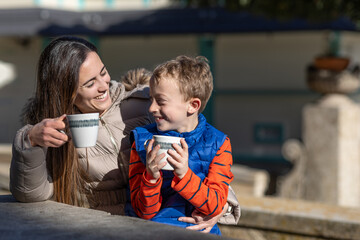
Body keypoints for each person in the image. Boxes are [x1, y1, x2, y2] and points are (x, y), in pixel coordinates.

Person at [10, 36, 240, 230]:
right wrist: (30, 142)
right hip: (101, 228)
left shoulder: (145, 103)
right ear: (66, 92)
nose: (104, 85)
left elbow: (205, 156)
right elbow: (31, 196)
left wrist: (218, 209)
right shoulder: (53, 129)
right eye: (90, 83)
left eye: (103, 72)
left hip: (156, 224)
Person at [127, 55, 234, 235]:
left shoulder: (219, 143)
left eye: (160, 101)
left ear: (192, 105)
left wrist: (184, 175)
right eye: (151, 99)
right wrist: (151, 177)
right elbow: (143, 212)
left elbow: (215, 205)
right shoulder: (141, 140)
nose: (152, 108)